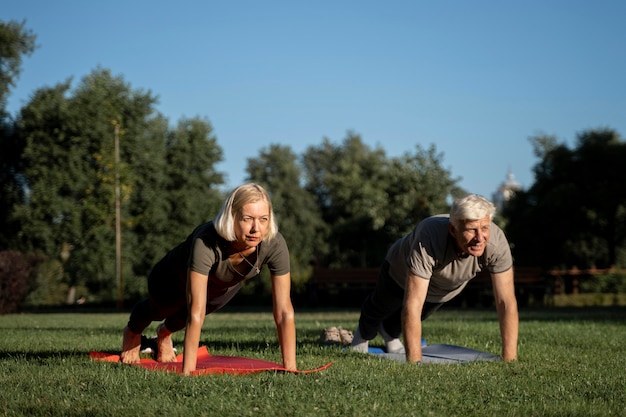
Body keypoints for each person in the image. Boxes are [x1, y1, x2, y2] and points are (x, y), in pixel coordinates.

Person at [120, 183, 296, 375]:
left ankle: (163, 335)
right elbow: (196, 310)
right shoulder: (206, 240)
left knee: (189, 315)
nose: (256, 228)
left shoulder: (274, 244)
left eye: (263, 219)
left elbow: (284, 311)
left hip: (220, 288)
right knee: (161, 308)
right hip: (170, 278)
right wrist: (188, 372)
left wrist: (290, 368)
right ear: (231, 217)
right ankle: (133, 332)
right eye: (248, 219)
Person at [351, 194, 518, 363]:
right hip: (399, 271)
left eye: (484, 228)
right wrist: (415, 362)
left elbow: (506, 302)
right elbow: (413, 303)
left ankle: (390, 334)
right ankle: (362, 337)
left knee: (418, 314)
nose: (479, 238)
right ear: (453, 230)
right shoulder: (429, 235)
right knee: (382, 304)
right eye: (471, 229)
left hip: (444, 287)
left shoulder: (496, 243)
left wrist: (509, 360)